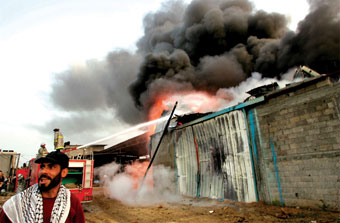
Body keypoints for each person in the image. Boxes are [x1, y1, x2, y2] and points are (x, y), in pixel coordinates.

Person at [0, 151, 85, 223]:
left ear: (63, 172)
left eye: (51, 167)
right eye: (42, 166)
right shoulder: (16, 204)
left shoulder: (72, 203)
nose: (43, 171)